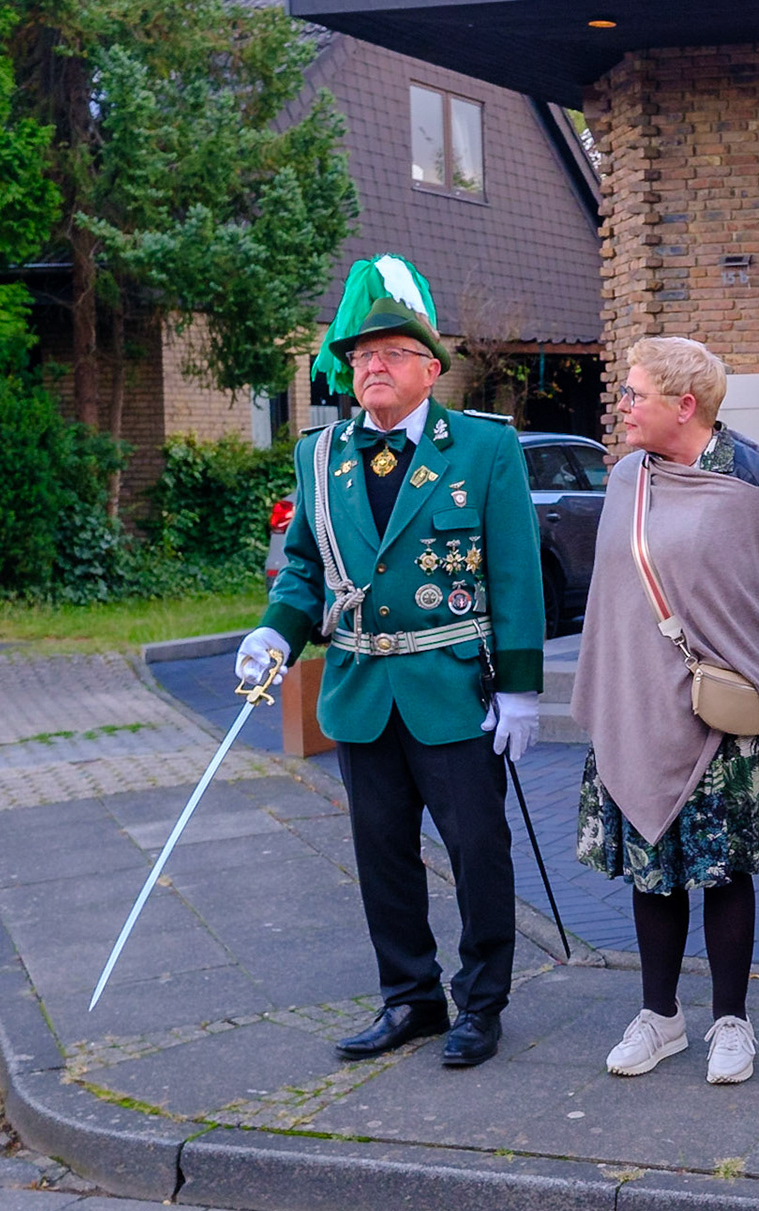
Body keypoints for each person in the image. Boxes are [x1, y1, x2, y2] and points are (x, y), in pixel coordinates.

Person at [236, 255, 543, 1069]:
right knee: (383, 857)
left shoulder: (481, 448)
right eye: (361, 355)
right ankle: (411, 998)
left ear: (431, 370)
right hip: (361, 687)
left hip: (452, 688)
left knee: (478, 852)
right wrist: (275, 632)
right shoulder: (321, 455)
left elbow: (515, 573)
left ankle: (482, 1004)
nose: (372, 365)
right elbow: (306, 567)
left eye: (393, 353)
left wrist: (520, 691)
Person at [570, 336, 759, 1086]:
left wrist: (753, 661)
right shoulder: (624, 479)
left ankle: (731, 1022)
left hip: (724, 719)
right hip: (636, 706)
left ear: (684, 406)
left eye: (635, 394)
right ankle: (661, 1018)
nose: (622, 406)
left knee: (723, 871)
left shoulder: (754, 482)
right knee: (653, 871)